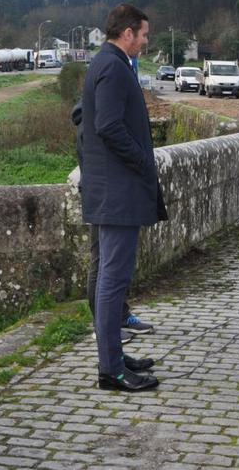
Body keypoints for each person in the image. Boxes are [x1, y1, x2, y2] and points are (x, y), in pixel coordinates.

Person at [80, 3, 166, 392]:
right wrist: (143, 162)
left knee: (105, 275)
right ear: (127, 33)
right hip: (117, 191)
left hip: (106, 188)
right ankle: (111, 370)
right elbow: (109, 126)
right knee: (112, 280)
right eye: (144, 34)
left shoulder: (104, 62)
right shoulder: (113, 66)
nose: (146, 41)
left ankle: (112, 357)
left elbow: (90, 120)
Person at [72, 105, 157, 346]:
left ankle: (119, 317)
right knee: (101, 261)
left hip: (110, 196)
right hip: (102, 198)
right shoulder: (90, 124)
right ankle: (102, 327)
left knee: (111, 262)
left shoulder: (97, 115)